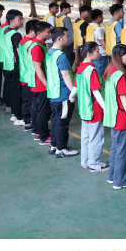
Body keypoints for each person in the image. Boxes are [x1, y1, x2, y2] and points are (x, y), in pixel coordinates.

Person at [103, 44, 126, 190]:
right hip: (122, 118)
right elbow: (123, 99)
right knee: (123, 150)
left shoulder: (110, 71)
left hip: (113, 116)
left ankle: (112, 176)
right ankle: (121, 181)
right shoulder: (120, 76)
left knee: (116, 148)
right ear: (119, 57)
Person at [45, 27, 79, 159]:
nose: (69, 38)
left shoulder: (50, 52)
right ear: (59, 38)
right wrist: (73, 93)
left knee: (55, 120)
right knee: (62, 122)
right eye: (67, 36)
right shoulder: (61, 56)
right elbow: (66, 75)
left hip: (53, 92)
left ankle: (54, 145)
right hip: (63, 93)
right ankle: (61, 148)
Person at [76, 41, 108, 173]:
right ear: (89, 54)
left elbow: (75, 87)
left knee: (86, 136)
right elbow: (96, 92)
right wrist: (106, 108)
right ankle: (94, 164)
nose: (99, 53)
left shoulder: (80, 68)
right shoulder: (92, 70)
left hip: (84, 108)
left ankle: (85, 161)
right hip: (94, 109)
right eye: (97, 51)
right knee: (96, 138)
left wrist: (71, 97)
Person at [0, 9, 24, 125]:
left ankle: (13, 112)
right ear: (11, 21)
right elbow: (20, 53)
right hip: (15, 65)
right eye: (19, 19)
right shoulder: (16, 34)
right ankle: (19, 116)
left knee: (12, 89)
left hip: (7, 64)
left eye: (22, 19)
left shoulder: (6, 31)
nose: (22, 21)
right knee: (17, 91)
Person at [89, 9, 108, 77]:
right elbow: (101, 41)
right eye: (102, 16)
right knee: (100, 74)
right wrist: (109, 51)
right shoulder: (98, 29)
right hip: (101, 53)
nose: (103, 18)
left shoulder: (89, 26)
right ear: (99, 17)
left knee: (94, 72)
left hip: (92, 51)